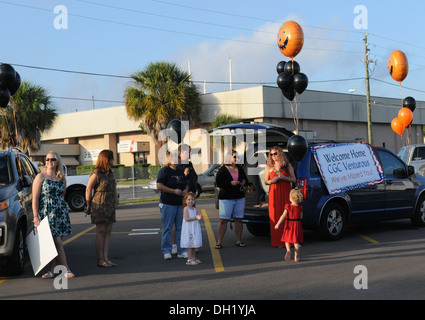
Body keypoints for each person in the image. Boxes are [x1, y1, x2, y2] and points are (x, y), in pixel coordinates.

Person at [33, 151, 74, 279]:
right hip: (46, 212)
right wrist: (35, 216)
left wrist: (59, 207)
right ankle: (66, 268)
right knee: (56, 242)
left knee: (57, 243)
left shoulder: (61, 177)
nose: (49, 161)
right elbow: (35, 198)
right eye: (47, 159)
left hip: (60, 212)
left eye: (52, 159)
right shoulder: (40, 176)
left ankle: (51, 270)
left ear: (57, 162)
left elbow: (63, 195)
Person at [86, 149, 119, 268]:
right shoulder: (97, 172)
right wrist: (88, 204)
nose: (113, 160)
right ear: (107, 159)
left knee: (108, 232)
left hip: (109, 203)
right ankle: (100, 258)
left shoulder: (110, 172)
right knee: (101, 232)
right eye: (112, 158)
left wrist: (116, 198)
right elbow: (88, 189)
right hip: (99, 203)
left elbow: (114, 187)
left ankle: (106, 257)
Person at [156, 149, 189, 260]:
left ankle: (181, 250)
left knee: (180, 228)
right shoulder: (164, 171)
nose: (178, 159)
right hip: (167, 203)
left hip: (179, 204)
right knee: (167, 228)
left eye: (179, 157)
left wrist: (185, 191)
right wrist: (173, 191)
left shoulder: (180, 171)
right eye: (176, 157)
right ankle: (166, 250)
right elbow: (159, 185)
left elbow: (185, 185)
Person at [215, 150, 248, 249]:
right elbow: (219, 183)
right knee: (223, 220)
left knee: (238, 219)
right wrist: (230, 183)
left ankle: (239, 240)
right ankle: (219, 242)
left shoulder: (240, 168)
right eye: (234, 157)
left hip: (239, 197)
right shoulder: (223, 170)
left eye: (237, 157)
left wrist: (243, 182)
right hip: (226, 198)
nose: (236, 159)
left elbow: (245, 180)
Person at [265, 146, 296, 247]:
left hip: (286, 192)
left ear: (280, 153)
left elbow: (294, 179)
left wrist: (284, 178)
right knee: (275, 215)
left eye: (275, 153)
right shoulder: (269, 166)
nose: (273, 156)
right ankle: (277, 241)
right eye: (271, 154)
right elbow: (266, 181)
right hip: (274, 193)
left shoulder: (287, 165)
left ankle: (289, 241)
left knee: (287, 215)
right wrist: (271, 181)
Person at [172, 144, 198, 255]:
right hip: (181, 198)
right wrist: (184, 174)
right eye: (188, 152)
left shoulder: (190, 164)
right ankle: (174, 245)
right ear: (181, 153)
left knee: (191, 222)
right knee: (179, 222)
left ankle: (190, 244)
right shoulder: (178, 165)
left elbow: (194, 178)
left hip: (191, 197)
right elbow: (175, 181)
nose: (189, 154)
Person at [275, 188, 304, 262]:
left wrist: (278, 224)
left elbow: (283, 215)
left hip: (289, 225)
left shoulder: (288, 206)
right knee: (296, 242)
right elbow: (301, 217)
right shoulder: (300, 207)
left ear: (291, 198)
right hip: (297, 225)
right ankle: (296, 258)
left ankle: (288, 250)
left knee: (287, 240)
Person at [180, 192, 203, 265]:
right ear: (185, 201)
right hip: (189, 228)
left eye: (192, 199)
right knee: (189, 245)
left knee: (194, 245)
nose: (190, 201)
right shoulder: (185, 209)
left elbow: (197, 215)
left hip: (194, 228)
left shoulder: (194, 208)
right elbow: (186, 218)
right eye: (189, 199)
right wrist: (196, 217)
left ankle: (193, 258)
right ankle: (189, 259)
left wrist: (199, 216)